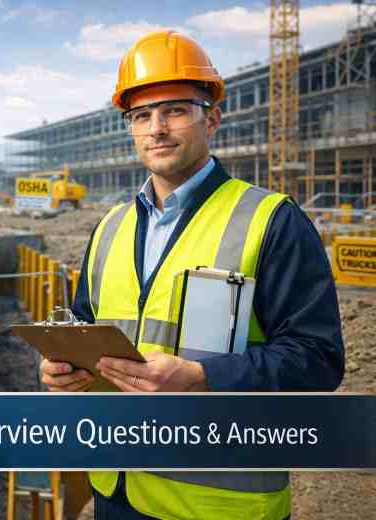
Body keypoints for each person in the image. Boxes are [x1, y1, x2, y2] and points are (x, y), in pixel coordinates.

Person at [40, 30, 344, 520]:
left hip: (222, 505)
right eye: (141, 115)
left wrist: (203, 377)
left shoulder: (271, 221)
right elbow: (83, 326)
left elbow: (319, 358)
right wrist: (63, 369)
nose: (156, 128)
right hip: (117, 490)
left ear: (213, 119)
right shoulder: (110, 228)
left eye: (175, 110)